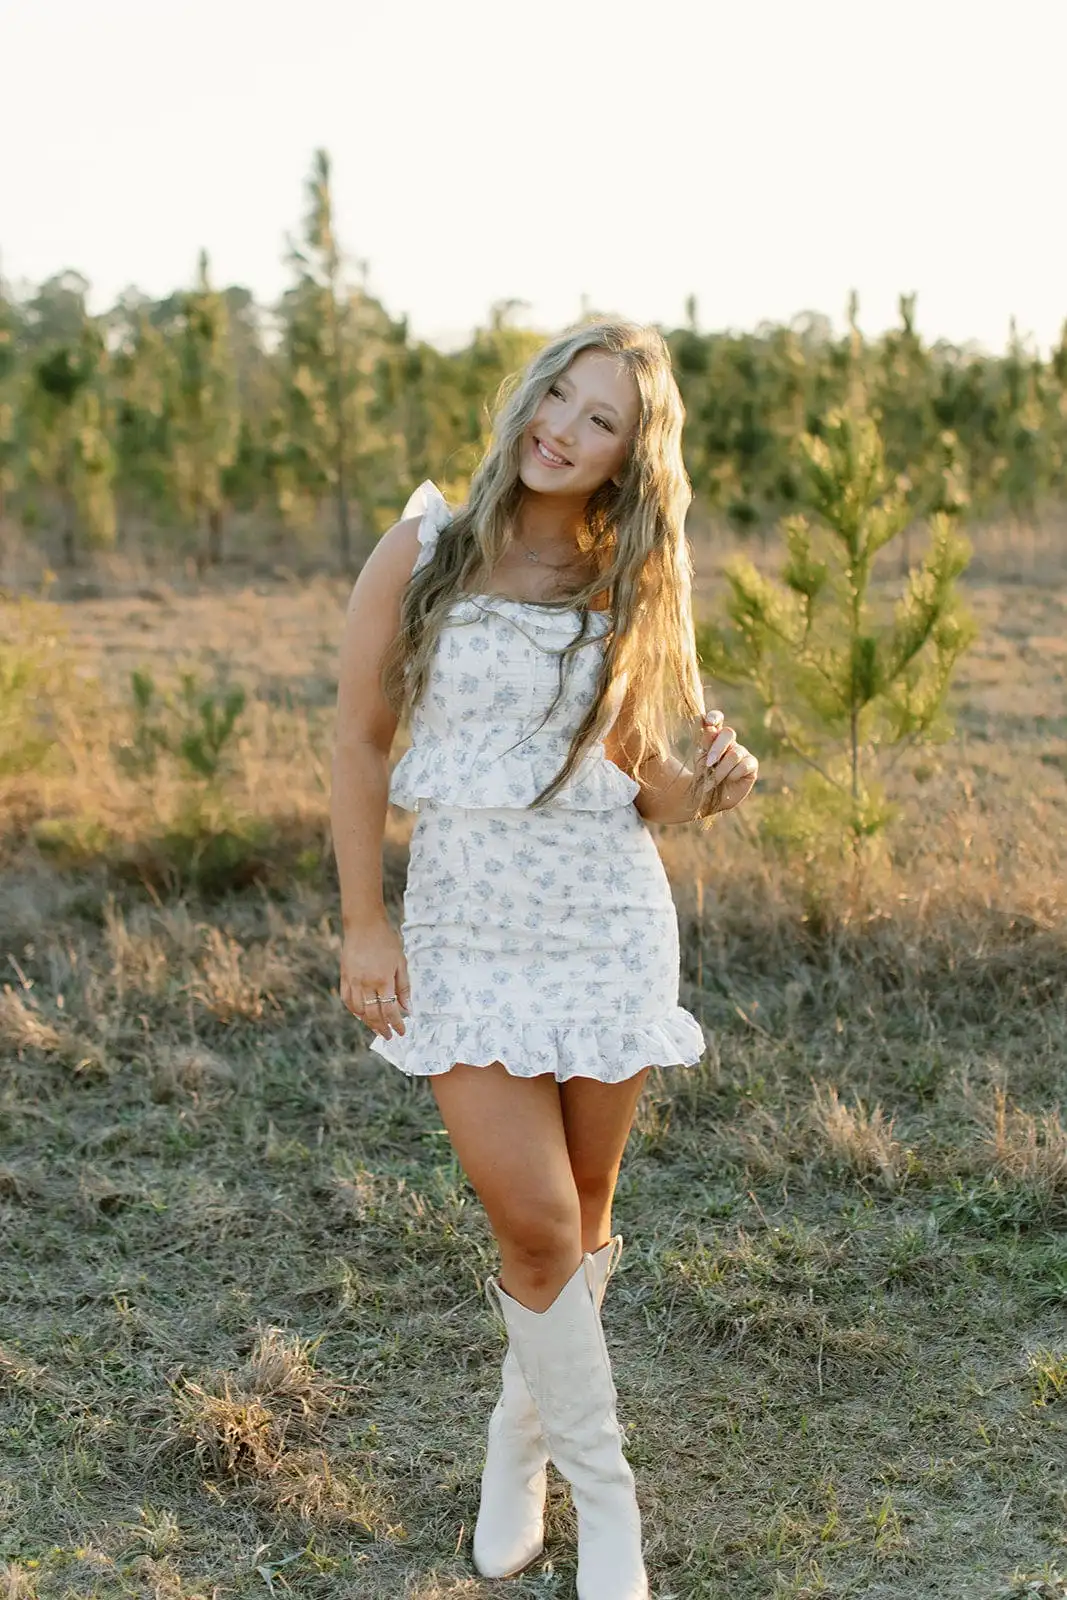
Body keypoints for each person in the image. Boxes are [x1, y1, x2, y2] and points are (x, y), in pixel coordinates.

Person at [330, 318, 758, 1599]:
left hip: (604, 924)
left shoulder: (628, 579)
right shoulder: (423, 545)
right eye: (556, 395)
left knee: (585, 1213)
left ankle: (518, 1451)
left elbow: (640, 786)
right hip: (466, 928)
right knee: (533, 1222)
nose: (560, 428)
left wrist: (711, 789)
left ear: (631, 456)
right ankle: (607, 1499)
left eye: (599, 418)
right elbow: (357, 742)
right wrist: (366, 920)